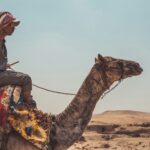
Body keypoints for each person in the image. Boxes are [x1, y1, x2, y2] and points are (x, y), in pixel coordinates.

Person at [0, 11, 32, 104]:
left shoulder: (2, 42)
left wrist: (4, 65)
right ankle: (28, 107)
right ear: (4, 24)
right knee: (26, 79)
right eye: (11, 25)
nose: (13, 28)